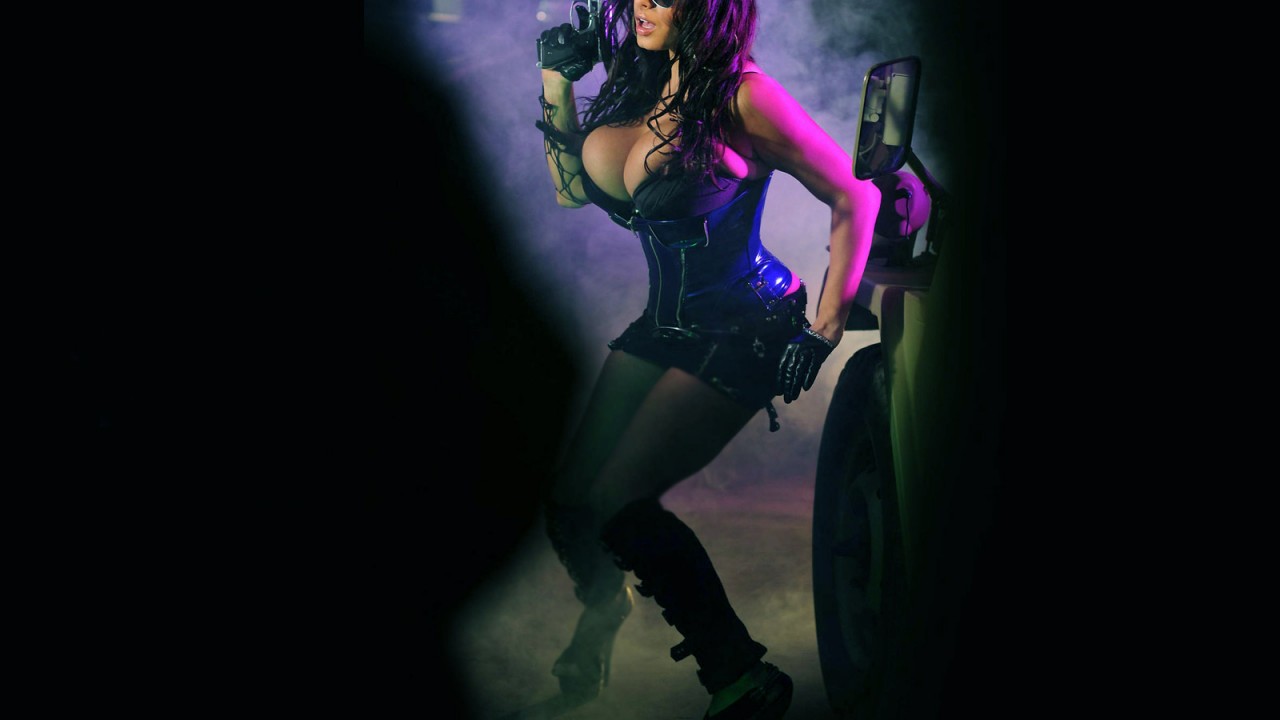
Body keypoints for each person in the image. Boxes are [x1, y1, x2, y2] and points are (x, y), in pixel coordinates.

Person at [534, 1, 880, 717]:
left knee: (620, 501)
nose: (643, 3)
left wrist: (824, 328)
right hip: (666, 325)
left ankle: (742, 679)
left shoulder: (746, 96)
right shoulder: (638, 85)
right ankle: (604, 614)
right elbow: (570, 194)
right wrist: (555, 83)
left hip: (747, 325)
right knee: (569, 503)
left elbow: (856, 192)